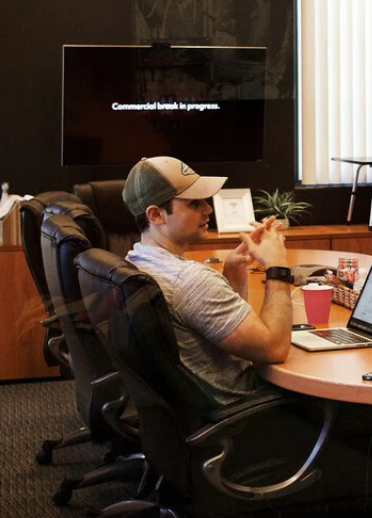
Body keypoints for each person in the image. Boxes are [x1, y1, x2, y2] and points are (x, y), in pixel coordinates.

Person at [122, 156, 294, 407]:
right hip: (245, 411)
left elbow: (217, 326)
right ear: (156, 214)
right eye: (194, 203)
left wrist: (233, 270)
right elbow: (274, 349)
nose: (208, 209)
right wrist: (278, 267)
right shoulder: (190, 281)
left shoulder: (135, 260)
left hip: (188, 413)